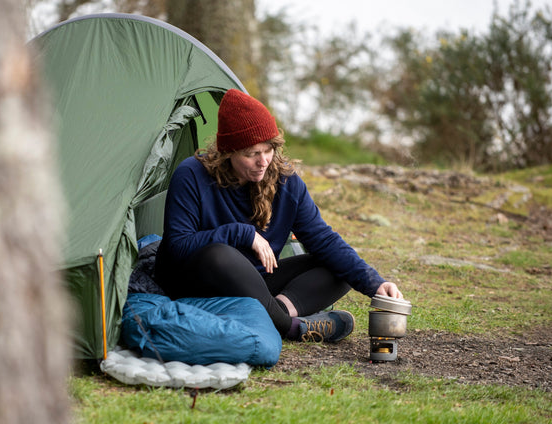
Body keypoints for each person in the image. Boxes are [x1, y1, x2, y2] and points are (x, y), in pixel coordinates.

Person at [153, 89, 403, 342]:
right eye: (251, 154)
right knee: (220, 254)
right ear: (228, 153)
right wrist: (242, 233)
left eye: (268, 149)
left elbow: (323, 239)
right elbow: (178, 247)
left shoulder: (286, 183)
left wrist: (375, 285)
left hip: (256, 283)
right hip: (197, 282)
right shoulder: (192, 174)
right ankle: (290, 327)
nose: (263, 161)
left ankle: (276, 312)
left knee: (339, 266)